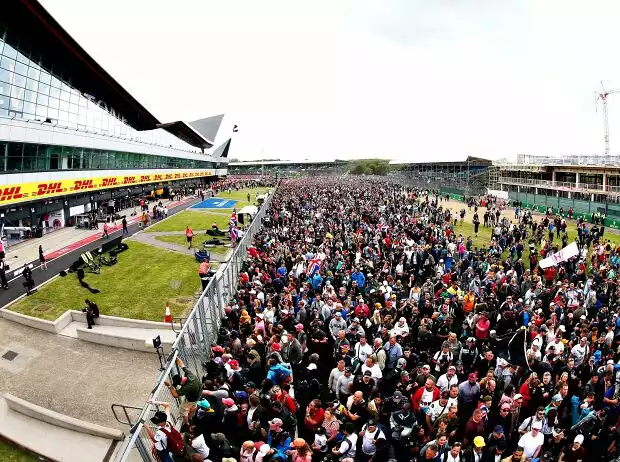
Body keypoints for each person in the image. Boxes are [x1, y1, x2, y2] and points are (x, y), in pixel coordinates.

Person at [163, 357, 202, 424]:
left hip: (191, 399)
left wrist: (169, 386)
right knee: (194, 406)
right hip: (198, 394)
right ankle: (190, 418)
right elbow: (181, 364)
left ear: (181, 383)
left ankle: (186, 423)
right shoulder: (190, 374)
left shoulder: (187, 387)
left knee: (183, 412)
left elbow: (175, 395)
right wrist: (175, 356)